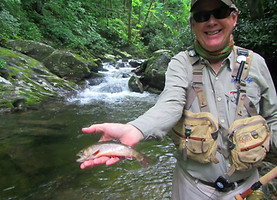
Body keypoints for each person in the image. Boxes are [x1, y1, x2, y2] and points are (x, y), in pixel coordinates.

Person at [80, 0, 277, 199]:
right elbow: (170, 105)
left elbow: (273, 117)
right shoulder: (181, 64)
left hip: (250, 187)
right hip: (192, 190)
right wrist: (136, 129)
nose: (211, 22)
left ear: (233, 18)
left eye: (220, 12)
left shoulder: (256, 64)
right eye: (202, 16)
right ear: (192, 25)